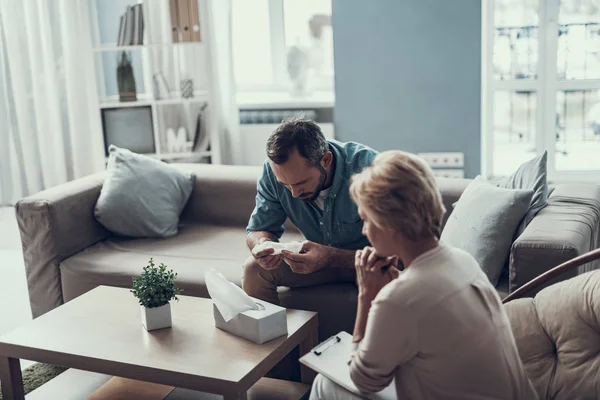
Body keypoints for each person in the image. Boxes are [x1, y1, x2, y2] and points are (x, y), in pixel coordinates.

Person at [310, 151, 538, 400]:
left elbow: (364, 380)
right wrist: (397, 286)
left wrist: (368, 295)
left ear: (389, 223)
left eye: (365, 220)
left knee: (325, 385)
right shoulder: (462, 260)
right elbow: (427, 310)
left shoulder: (399, 299)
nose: (364, 230)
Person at [243, 118, 388, 304]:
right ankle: (274, 333)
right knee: (253, 269)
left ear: (325, 160)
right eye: (285, 185)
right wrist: (262, 245)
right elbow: (258, 229)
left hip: (371, 265)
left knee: (391, 282)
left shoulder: (371, 171)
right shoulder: (274, 173)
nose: (294, 194)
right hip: (315, 264)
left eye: (300, 183)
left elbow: (399, 257)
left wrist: (330, 257)